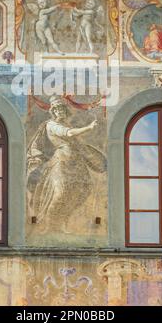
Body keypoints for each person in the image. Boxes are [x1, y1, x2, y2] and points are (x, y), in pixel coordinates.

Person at [27, 96, 106, 233]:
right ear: (53, 112)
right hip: (61, 161)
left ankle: (62, 223)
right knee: (61, 192)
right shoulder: (51, 125)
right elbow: (68, 134)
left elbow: (78, 143)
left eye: (62, 109)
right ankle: (48, 226)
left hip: (76, 161)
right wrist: (88, 127)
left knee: (82, 191)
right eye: (57, 110)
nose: (60, 112)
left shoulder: (66, 124)